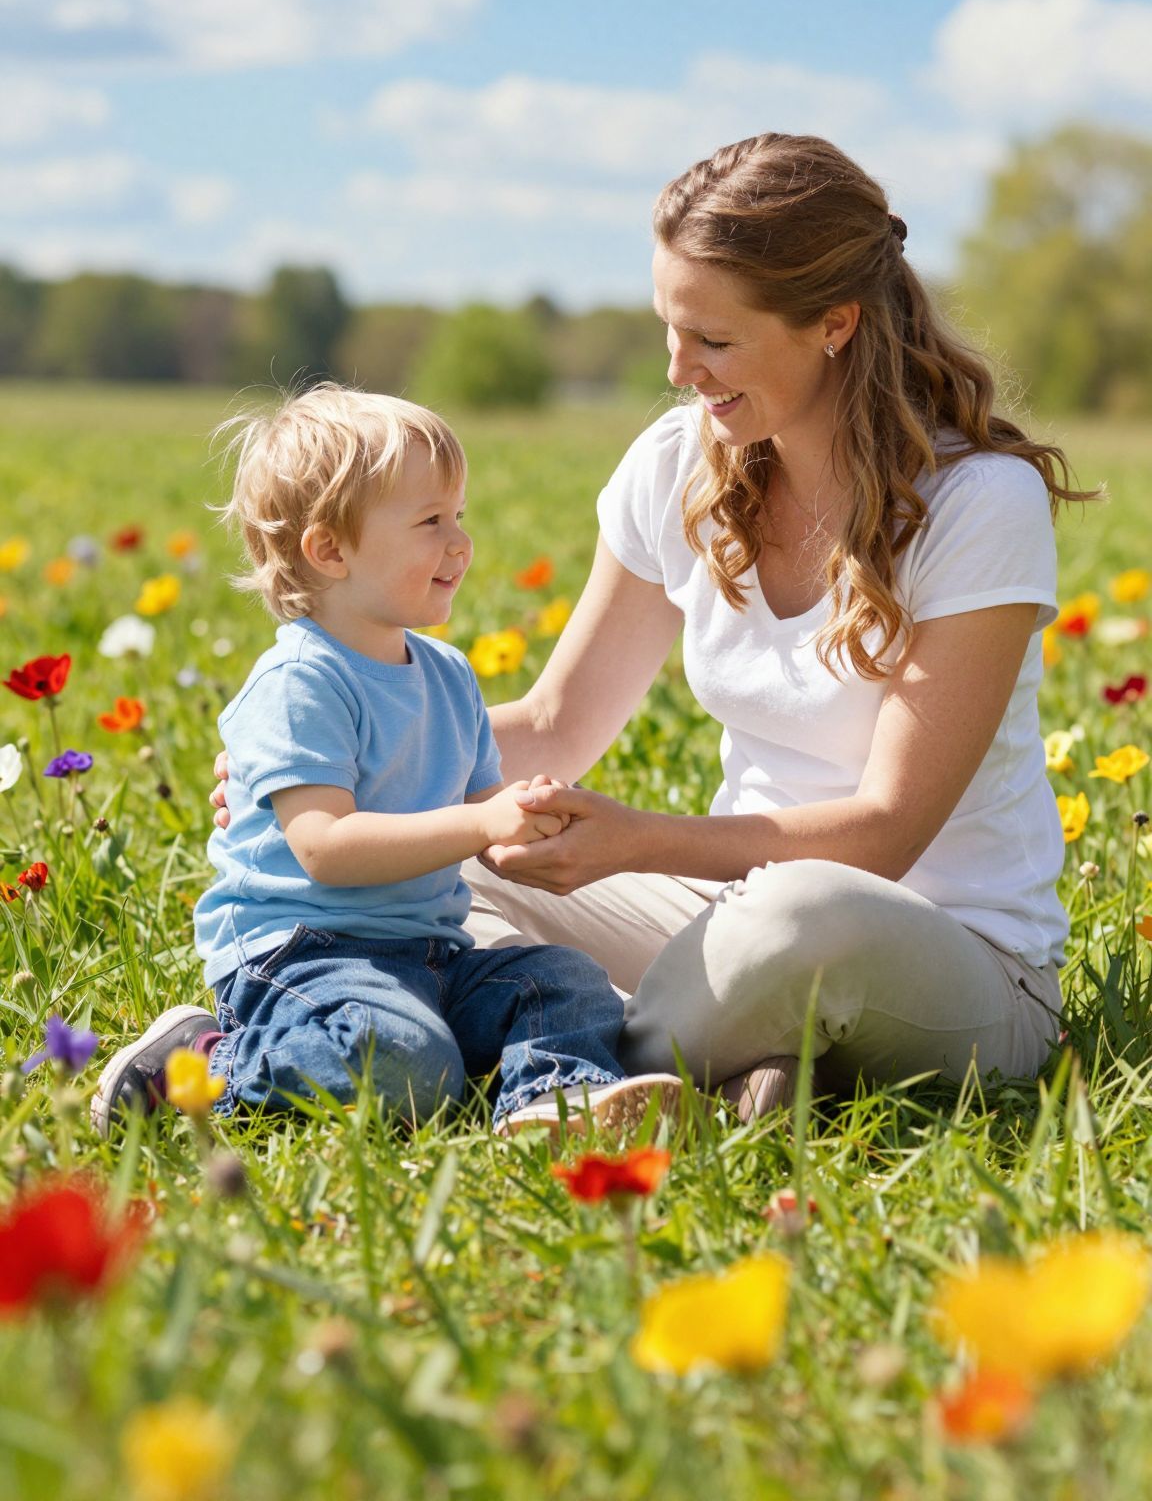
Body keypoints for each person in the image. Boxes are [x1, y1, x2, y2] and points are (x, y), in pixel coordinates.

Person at [162, 133, 1084, 1119]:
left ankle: (568, 1049)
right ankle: (670, 1060)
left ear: (835, 321)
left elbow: (886, 830)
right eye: (668, 328)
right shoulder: (680, 464)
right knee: (459, 850)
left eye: (715, 339)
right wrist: (338, 766)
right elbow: (559, 722)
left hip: (939, 947)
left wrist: (641, 838)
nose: (680, 369)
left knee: (799, 915)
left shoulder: (980, 500)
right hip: (721, 910)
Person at [90, 385, 681, 1138]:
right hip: (304, 958)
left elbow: (486, 820)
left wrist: (528, 820)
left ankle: (551, 1102)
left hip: (429, 951)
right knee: (405, 1060)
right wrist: (478, 821)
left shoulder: (448, 676)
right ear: (329, 549)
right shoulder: (299, 681)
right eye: (431, 522)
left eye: (458, 516)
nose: (460, 543)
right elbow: (326, 850)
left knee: (563, 981)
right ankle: (201, 1064)